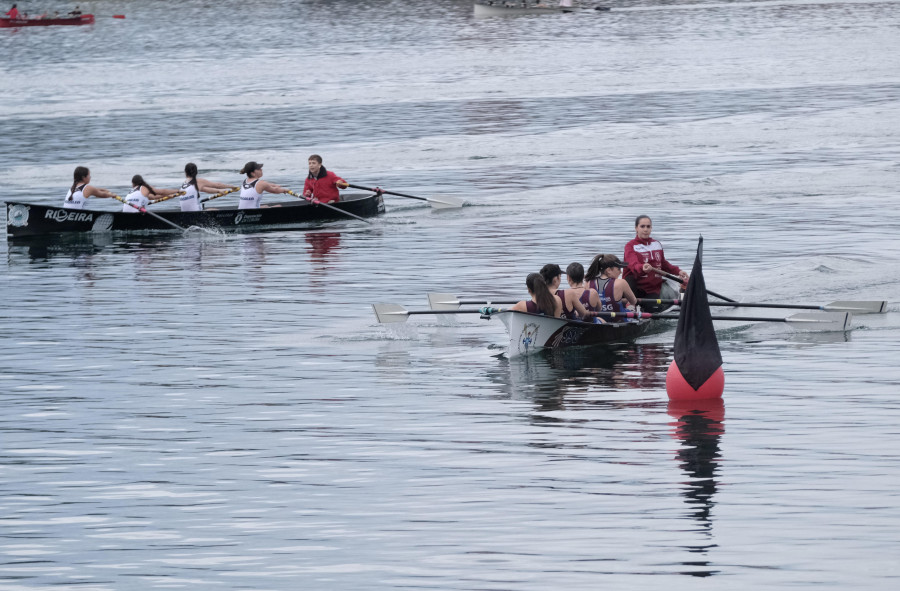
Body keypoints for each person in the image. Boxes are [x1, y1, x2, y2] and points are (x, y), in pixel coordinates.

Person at [623, 215, 689, 299]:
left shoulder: (657, 244)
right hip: (636, 287)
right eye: (642, 226)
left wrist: (678, 271)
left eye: (648, 226)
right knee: (630, 280)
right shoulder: (630, 246)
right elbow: (633, 264)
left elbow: (664, 264)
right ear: (636, 228)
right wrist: (642, 267)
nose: (645, 229)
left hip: (653, 289)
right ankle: (630, 304)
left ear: (651, 228)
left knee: (653, 307)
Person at [585, 254, 638, 320]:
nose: (621, 272)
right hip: (618, 319)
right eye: (618, 269)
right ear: (608, 270)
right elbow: (634, 301)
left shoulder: (588, 283)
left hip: (597, 320)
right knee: (632, 306)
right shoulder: (621, 282)